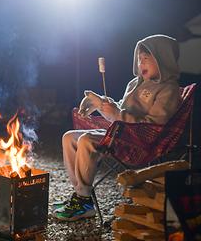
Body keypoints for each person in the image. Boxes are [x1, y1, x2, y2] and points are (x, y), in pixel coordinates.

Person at [53, 34, 181, 221]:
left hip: (140, 141)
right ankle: (80, 195)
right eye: (139, 59)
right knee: (69, 137)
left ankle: (84, 200)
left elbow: (154, 126)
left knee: (86, 140)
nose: (141, 63)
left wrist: (116, 114)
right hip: (120, 133)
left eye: (147, 59)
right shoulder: (134, 83)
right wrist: (100, 105)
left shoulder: (168, 90)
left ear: (164, 60)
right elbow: (119, 112)